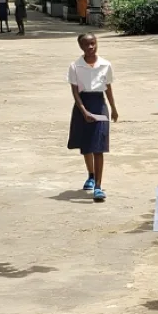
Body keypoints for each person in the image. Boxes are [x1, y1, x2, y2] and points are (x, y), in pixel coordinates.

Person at [67, 33, 118, 202]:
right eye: (86, 44)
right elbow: (75, 92)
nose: (90, 47)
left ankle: (98, 186)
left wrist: (113, 108)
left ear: (96, 44)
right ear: (81, 46)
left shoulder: (105, 65)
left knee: (99, 146)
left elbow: (108, 88)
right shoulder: (75, 67)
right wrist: (84, 111)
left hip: (99, 104)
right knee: (87, 145)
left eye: (93, 43)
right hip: (83, 104)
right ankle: (90, 174)